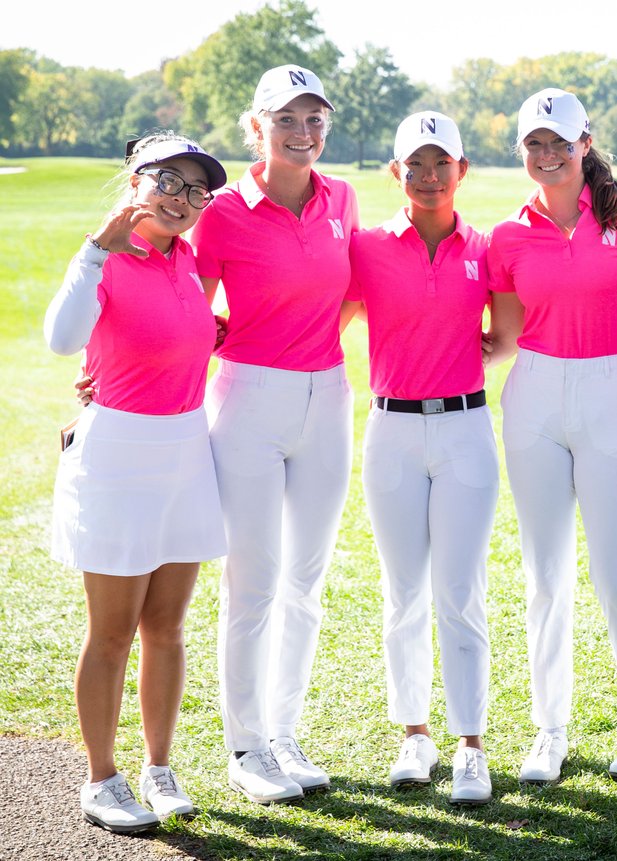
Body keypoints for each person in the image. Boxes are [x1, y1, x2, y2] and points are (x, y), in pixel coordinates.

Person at [45, 133, 228, 833]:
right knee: (114, 630)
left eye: (195, 189)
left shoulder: (186, 264)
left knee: (168, 627)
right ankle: (101, 777)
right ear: (135, 180)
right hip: (119, 455)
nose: (182, 199)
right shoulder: (103, 259)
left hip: (186, 449)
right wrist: (95, 248)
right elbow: (63, 340)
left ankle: (158, 766)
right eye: (168, 182)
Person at [486, 87, 617, 784]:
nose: (547, 154)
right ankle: (549, 729)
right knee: (544, 575)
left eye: (560, 142)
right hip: (533, 393)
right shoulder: (509, 233)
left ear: (585, 143)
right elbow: (505, 335)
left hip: (614, 390)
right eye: (535, 143)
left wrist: (614, 351)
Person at [189, 64, 359, 804]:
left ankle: (284, 733)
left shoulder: (343, 199)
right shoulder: (222, 210)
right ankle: (246, 744)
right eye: (286, 119)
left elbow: (349, 294)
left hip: (328, 399)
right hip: (248, 401)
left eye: (314, 118)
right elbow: (188, 307)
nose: (303, 132)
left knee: (306, 583)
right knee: (252, 583)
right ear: (256, 127)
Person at [343, 111, 519, 805]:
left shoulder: (487, 246)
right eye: (414, 163)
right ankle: (415, 732)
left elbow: (506, 333)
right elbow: (323, 315)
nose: (427, 175)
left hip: (465, 430)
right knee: (403, 591)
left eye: (440, 162)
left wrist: (472, 350)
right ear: (396, 172)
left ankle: (471, 742)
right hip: (390, 430)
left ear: (462, 170)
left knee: (461, 591)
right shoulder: (366, 247)